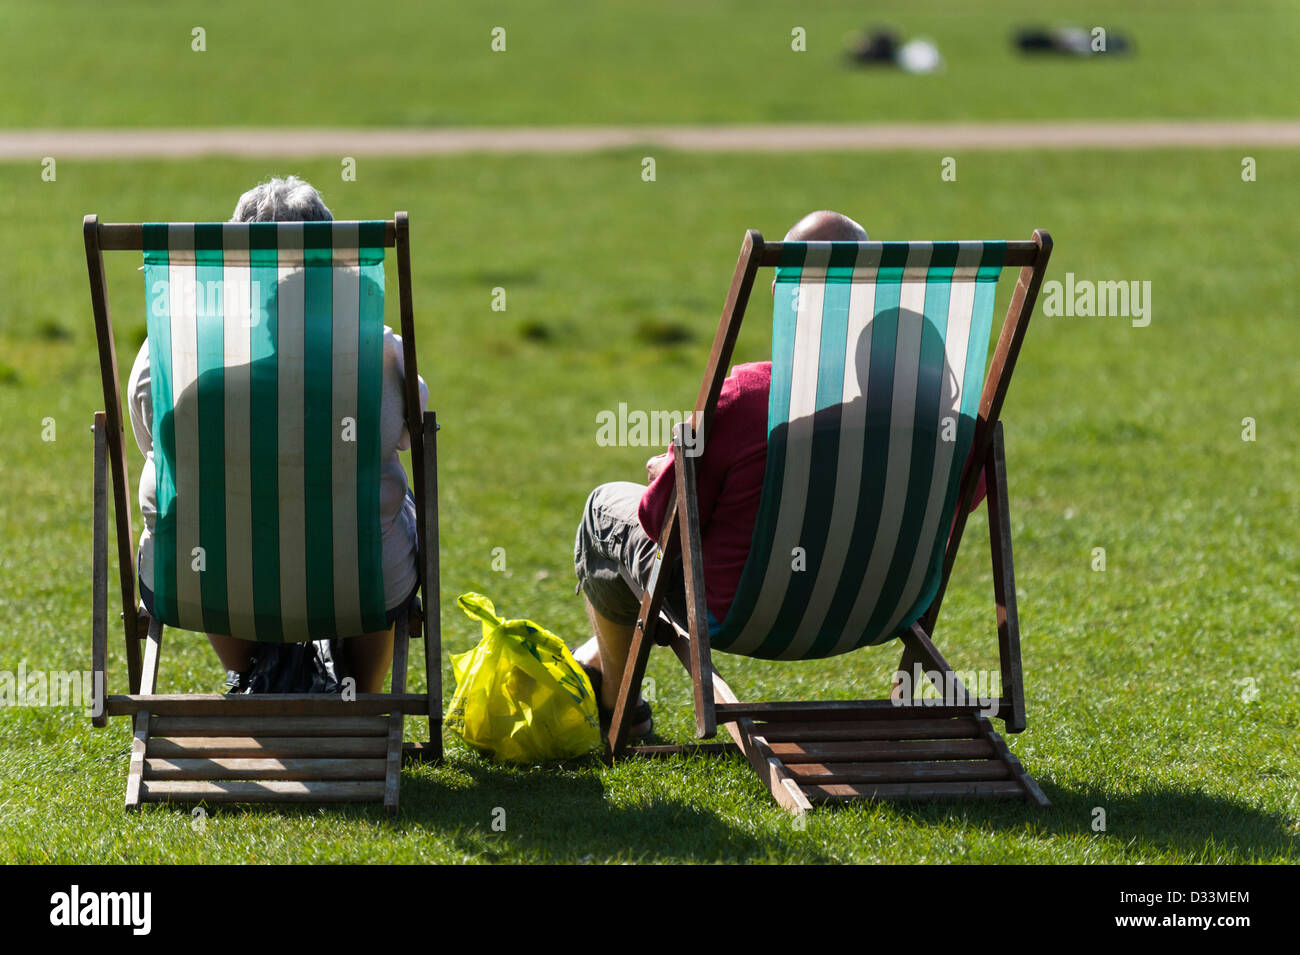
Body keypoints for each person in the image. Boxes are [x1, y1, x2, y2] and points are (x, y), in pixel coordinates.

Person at [572, 210, 988, 737]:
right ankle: (591, 665)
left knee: (605, 510)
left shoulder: (749, 400)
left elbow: (660, 521)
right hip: (884, 608)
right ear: (871, 291)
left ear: (783, 294)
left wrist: (669, 468)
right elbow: (952, 510)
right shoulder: (955, 432)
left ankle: (618, 711)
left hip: (744, 612)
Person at [127, 176, 427, 693]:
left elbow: (156, 448)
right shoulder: (381, 354)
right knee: (393, 506)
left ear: (236, 263)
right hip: (353, 580)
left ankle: (260, 669)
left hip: (210, 582)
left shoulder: (173, 358)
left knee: (197, 507)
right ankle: (357, 691)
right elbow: (416, 432)